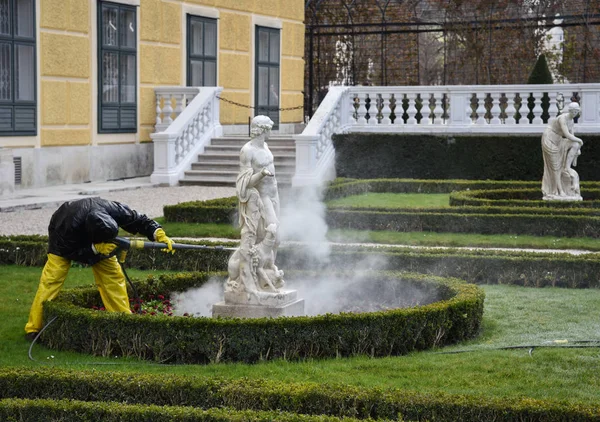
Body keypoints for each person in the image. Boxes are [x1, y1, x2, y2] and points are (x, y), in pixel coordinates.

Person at [24, 197, 174, 340]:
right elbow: (70, 253)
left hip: (93, 236)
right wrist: (95, 249)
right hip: (63, 234)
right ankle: (34, 328)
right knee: (52, 280)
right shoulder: (68, 228)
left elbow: (138, 219)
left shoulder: (112, 209)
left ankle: (123, 322)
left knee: (113, 276)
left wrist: (158, 233)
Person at [226, 115, 282, 296]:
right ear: (263, 129)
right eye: (269, 128)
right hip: (262, 197)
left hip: (274, 195)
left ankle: (268, 271)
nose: (271, 132)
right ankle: (253, 277)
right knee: (270, 234)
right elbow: (244, 183)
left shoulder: (265, 145)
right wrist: (262, 175)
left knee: (277, 238)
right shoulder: (247, 151)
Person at [541, 102, 583, 199]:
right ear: (569, 111)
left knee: (575, 144)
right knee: (556, 166)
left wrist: (578, 147)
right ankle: (559, 190)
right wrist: (580, 140)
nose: (575, 113)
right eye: (573, 111)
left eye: (576, 111)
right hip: (550, 139)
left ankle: (567, 167)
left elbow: (572, 137)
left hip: (559, 140)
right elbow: (567, 135)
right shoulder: (562, 118)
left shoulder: (571, 121)